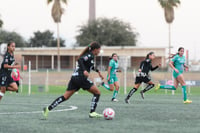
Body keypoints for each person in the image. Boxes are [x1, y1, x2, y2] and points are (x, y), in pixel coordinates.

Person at [43, 41, 104, 119]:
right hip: (81, 77)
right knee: (97, 92)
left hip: (74, 78)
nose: (99, 51)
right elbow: (80, 60)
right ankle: (92, 112)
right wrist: (84, 70)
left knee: (65, 97)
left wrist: (98, 72)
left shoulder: (90, 56)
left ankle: (48, 109)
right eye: (99, 49)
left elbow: (91, 66)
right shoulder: (89, 55)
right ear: (95, 49)